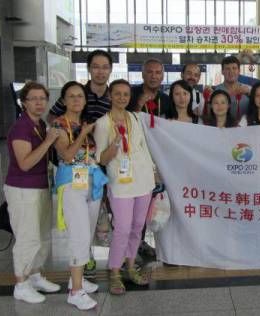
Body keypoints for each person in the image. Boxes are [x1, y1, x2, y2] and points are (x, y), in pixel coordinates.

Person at [94, 79, 157, 295]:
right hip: (120, 183)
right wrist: (113, 149)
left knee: (138, 225)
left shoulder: (134, 118)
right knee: (122, 227)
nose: (122, 98)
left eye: (126, 94)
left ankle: (130, 266)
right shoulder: (103, 123)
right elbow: (100, 159)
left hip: (143, 179)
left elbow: (142, 146)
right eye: (118, 94)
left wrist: (153, 170)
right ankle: (114, 271)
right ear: (110, 96)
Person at [4, 81, 61, 303]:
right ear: (24, 102)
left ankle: (35, 275)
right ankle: (21, 283)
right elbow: (25, 163)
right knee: (28, 238)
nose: (39, 103)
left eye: (42, 99)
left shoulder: (39, 125)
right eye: (33, 99)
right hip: (22, 189)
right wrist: (48, 142)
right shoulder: (21, 127)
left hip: (40, 187)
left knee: (43, 236)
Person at [52, 81, 108, 310]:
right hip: (72, 185)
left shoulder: (86, 123)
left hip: (92, 181)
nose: (76, 100)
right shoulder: (58, 124)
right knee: (80, 235)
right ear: (64, 100)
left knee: (88, 233)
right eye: (71, 96)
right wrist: (83, 133)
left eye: (80, 96)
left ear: (85, 100)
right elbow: (66, 155)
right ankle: (75, 291)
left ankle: (78, 277)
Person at [48, 50, 113, 123]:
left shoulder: (115, 98)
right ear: (88, 68)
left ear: (110, 69)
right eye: (96, 67)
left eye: (105, 67)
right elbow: (52, 115)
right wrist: (64, 130)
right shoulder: (76, 92)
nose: (100, 71)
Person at [215, 56, 250, 122]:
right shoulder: (216, 91)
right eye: (227, 69)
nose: (231, 71)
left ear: (239, 71)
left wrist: (250, 94)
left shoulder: (249, 90)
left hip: (245, 130)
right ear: (222, 71)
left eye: (234, 68)